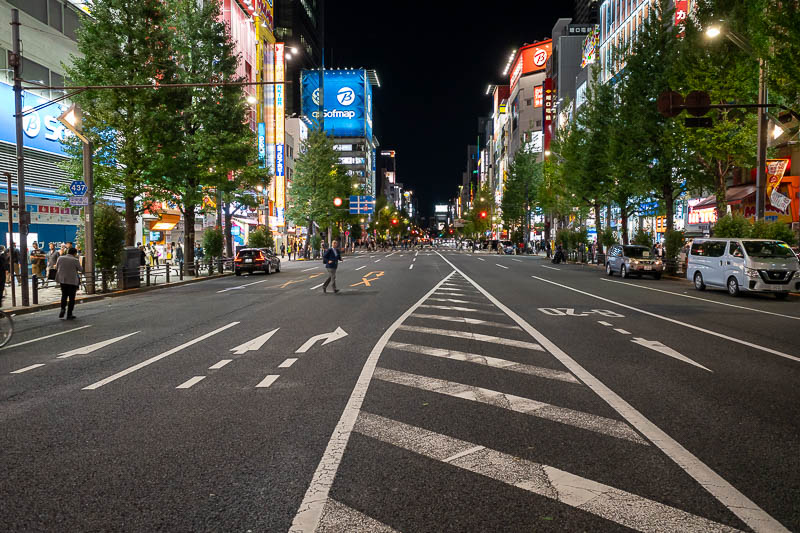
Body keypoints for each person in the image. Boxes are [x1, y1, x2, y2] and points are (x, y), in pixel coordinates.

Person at [55, 247, 82, 320]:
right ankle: (69, 314)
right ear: (75, 253)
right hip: (72, 281)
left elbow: (56, 267)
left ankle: (62, 309)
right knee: (71, 298)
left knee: (64, 295)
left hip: (62, 280)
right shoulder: (75, 260)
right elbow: (81, 269)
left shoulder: (60, 258)